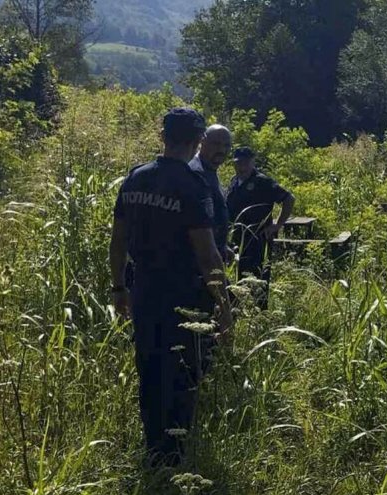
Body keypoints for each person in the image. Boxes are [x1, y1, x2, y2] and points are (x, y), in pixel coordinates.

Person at [108, 108, 233, 468]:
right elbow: (208, 256)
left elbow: (117, 241)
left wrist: (119, 288)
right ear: (197, 142)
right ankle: (174, 457)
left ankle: (153, 448)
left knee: (149, 367)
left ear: (162, 136)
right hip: (185, 296)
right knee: (182, 374)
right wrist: (224, 307)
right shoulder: (192, 186)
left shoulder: (135, 179)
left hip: (143, 290)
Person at [226, 146, 295, 284]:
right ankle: (242, 305)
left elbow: (289, 199)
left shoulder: (263, 182)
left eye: (245, 163)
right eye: (238, 163)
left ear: (252, 162)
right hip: (238, 239)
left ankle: (259, 305)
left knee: (258, 280)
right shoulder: (234, 182)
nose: (242, 167)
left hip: (258, 239)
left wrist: (278, 225)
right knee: (239, 280)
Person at [189, 124, 233, 262]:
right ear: (202, 142)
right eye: (216, 144)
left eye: (227, 146)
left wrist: (222, 246)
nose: (221, 150)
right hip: (198, 261)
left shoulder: (210, 172)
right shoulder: (195, 173)